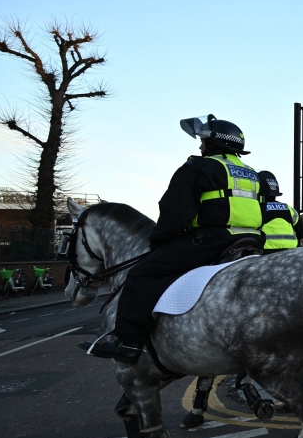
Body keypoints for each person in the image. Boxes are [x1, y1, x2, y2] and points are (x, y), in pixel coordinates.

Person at [82, 115, 264, 362]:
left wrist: (159, 242)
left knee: (142, 275)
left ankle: (129, 343)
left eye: (202, 141)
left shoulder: (198, 167)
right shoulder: (251, 174)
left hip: (211, 240)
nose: (200, 146)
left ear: (213, 143)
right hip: (250, 240)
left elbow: (175, 212)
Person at [257, 171, 303, 253]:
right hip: (290, 252)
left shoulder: (257, 208)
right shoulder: (289, 209)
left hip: (264, 252)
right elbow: (302, 232)